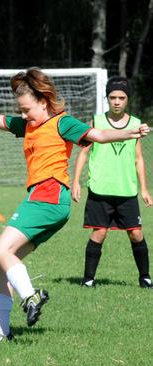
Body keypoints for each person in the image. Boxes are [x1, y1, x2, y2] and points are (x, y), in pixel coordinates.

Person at [0, 57, 149, 342]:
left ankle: (31, 296)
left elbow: (97, 134)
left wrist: (129, 132)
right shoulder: (27, 126)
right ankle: (0, 332)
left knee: (0, 250)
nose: (23, 116)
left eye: (27, 110)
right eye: (20, 111)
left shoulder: (62, 123)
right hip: (45, 201)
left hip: (48, 196)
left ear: (43, 102)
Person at [72, 76, 152, 289]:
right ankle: (88, 279)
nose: (117, 101)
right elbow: (83, 153)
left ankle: (145, 277)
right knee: (99, 232)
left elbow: (138, 158)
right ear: (107, 98)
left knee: (136, 233)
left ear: (128, 99)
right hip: (100, 189)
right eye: (113, 97)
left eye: (121, 97)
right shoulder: (96, 122)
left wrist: (143, 188)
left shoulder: (136, 124)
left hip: (126, 190)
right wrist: (76, 182)